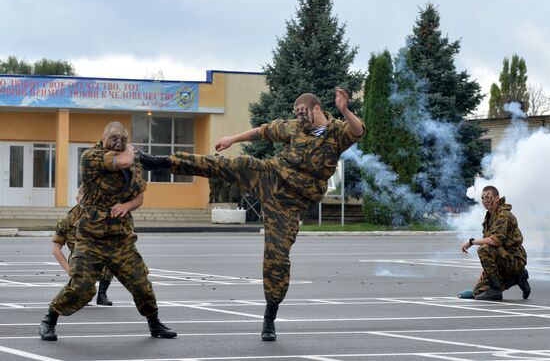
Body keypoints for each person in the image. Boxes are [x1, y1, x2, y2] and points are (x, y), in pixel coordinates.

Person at [138, 87, 364, 341]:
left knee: (277, 258)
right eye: (297, 115)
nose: (300, 119)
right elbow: (262, 131)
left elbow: (357, 131)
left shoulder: (335, 134)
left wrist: (345, 110)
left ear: (317, 109)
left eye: (304, 114)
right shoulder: (292, 127)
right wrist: (233, 139)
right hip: (270, 176)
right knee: (227, 165)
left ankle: (269, 318)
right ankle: (160, 162)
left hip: (289, 204)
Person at [39, 122, 177, 341]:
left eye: (121, 142)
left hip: (120, 239)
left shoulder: (133, 163)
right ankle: (49, 319)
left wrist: (126, 206)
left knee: (141, 285)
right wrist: (130, 149)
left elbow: (139, 197)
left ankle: (155, 324)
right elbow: (123, 161)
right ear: (103, 139)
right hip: (91, 238)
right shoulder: (92, 156)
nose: (117, 145)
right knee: (81, 288)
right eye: (113, 141)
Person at [460, 185, 531, 301]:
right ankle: (518, 278)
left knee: (483, 249)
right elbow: (488, 241)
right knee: (478, 291)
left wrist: (471, 242)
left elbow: (495, 240)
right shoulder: (489, 217)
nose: (485, 201)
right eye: (482, 198)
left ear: (497, 198)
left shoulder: (503, 215)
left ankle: (497, 290)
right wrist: (485, 269)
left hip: (513, 259)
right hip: (502, 258)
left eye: (488, 197)